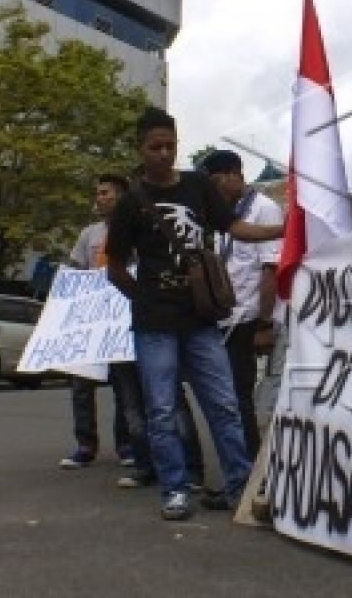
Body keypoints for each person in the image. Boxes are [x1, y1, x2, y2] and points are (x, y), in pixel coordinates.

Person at [105, 108, 284, 521]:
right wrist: (144, 299)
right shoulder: (131, 203)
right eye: (155, 147)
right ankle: (176, 488)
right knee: (163, 409)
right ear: (140, 149)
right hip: (155, 326)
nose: (164, 154)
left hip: (203, 321)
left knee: (223, 404)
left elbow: (234, 228)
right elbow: (115, 268)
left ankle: (240, 484)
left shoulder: (198, 187)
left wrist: (281, 231)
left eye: (170, 145)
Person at [199, 149, 284, 459]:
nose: (214, 189)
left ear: (235, 173)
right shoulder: (226, 217)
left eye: (217, 181)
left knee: (245, 400)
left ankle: (251, 472)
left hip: (251, 321)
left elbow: (270, 269)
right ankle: (241, 470)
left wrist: (264, 324)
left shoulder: (264, 210)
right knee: (229, 401)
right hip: (227, 321)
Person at [58, 174, 136, 471]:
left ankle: (126, 444)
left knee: (124, 383)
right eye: (98, 193)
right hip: (91, 318)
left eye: (105, 193)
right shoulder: (89, 234)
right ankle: (85, 444)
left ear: (120, 196)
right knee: (81, 383)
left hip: (120, 317)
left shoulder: (135, 230)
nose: (99, 198)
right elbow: (75, 267)